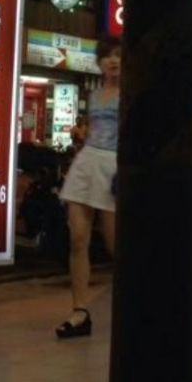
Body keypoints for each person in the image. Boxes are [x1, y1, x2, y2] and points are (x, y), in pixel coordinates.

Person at [54, 37, 120, 339]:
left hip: (114, 165)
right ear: (99, 63)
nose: (113, 61)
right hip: (86, 162)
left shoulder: (132, 94)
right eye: (107, 56)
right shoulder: (93, 94)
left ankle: (134, 306)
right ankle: (79, 311)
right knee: (78, 239)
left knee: (115, 245)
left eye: (118, 55)